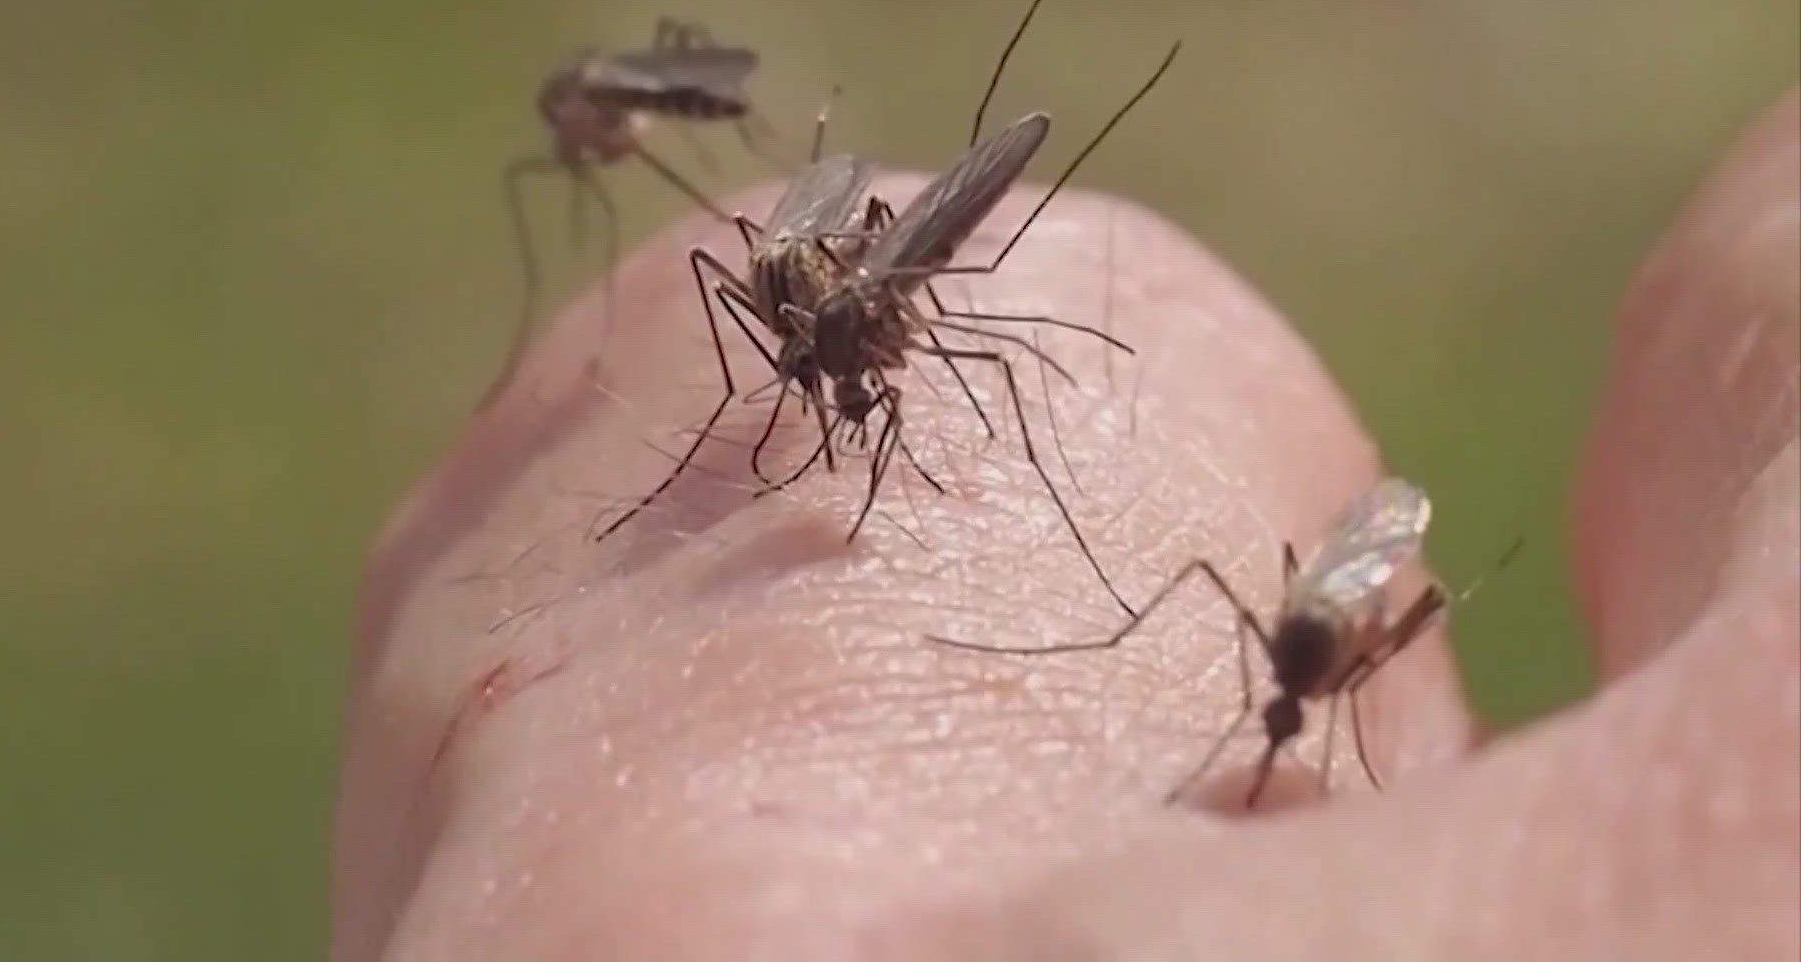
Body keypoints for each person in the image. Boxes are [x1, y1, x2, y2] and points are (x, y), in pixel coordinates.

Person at [332, 90, 1798, 959]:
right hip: (878, 281)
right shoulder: (801, 300)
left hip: (907, 272)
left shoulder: (882, 304)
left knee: (998, 338)